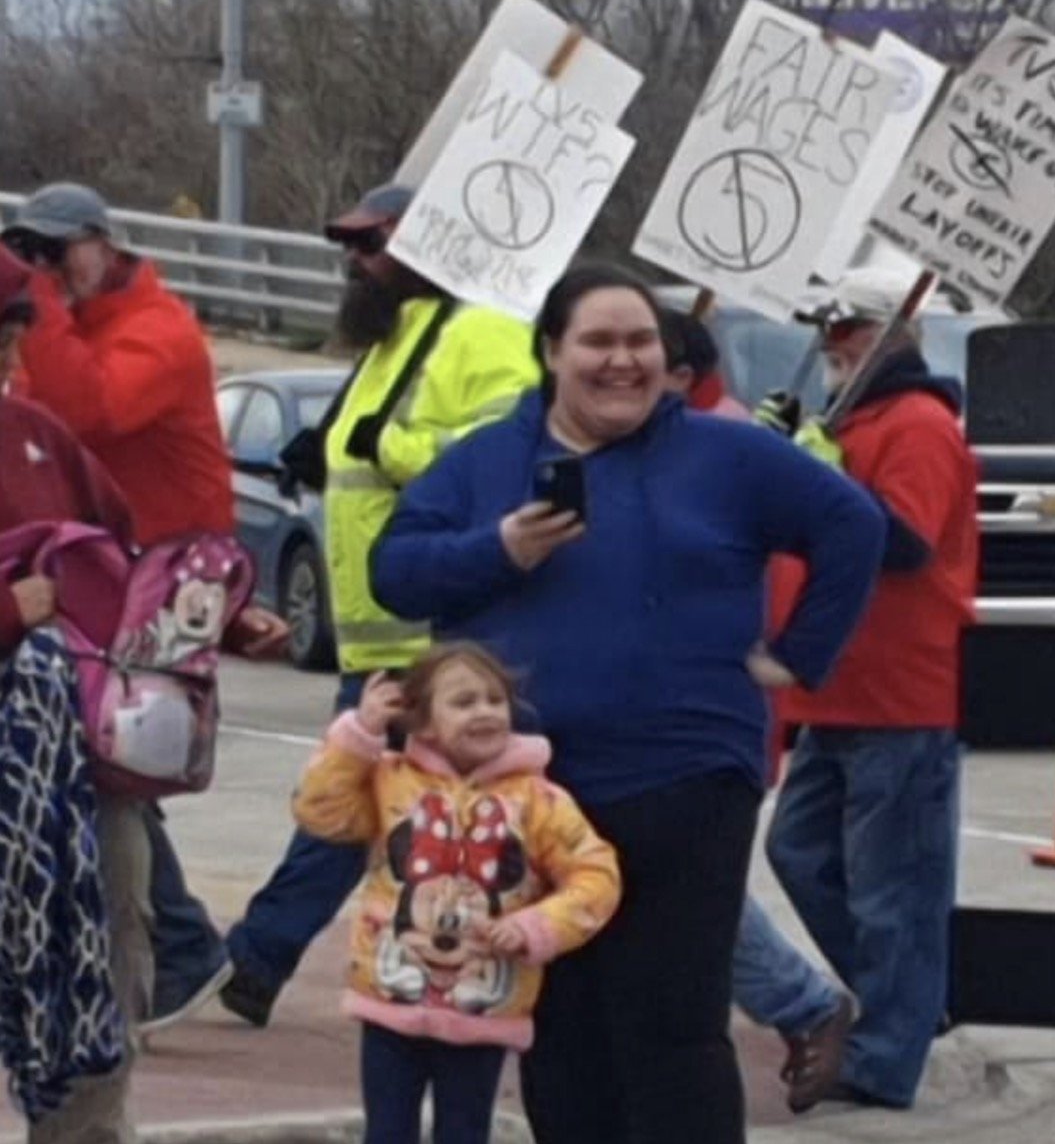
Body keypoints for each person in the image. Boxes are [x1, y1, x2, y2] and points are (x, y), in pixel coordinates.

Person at [368, 263, 886, 1144]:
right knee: (561, 1029)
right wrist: (496, 551)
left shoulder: (725, 453)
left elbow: (854, 526)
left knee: (670, 1024)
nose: (623, 362)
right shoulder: (489, 460)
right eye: (598, 342)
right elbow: (394, 572)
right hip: (536, 794)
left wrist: (800, 654)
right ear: (550, 353)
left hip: (686, 784)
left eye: (641, 341)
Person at [220, 181, 541, 1027]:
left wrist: (385, 445)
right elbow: (363, 456)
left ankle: (253, 959)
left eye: (374, 244)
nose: (355, 263)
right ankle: (255, 959)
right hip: (381, 632)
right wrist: (325, 452)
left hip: (435, 633)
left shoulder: (484, 332)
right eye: (350, 248)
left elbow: (502, 450)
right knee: (349, 804)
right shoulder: (398, 336)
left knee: (356, 806)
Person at [2, 183, 289, 1036]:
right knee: (110, 771)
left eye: (62, 251)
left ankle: (173, 957)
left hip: (152, 581)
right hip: (104, 588)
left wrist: (34, 296)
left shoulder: (158, 330)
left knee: (115, 768)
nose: (51, 270)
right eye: (33, 254)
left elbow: (89, 411)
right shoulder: (55, 356)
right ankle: (178, 953)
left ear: (110, 244)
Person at [760, 265, 979, 1110]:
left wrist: (814, 479)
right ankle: (910, 1003)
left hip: (902, 691)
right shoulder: (852, 419)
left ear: (885, 335)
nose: (829, 342)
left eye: (844, 328)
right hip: (838, 686)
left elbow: (904, 543)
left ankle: (889, 1051)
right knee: (800, 851)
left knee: (894, 888)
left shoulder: (918, 425)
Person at [292, 641, 622, 1144]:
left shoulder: (538, 800)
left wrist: (536, 927)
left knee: (464, 1131)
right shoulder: (389, 783)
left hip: (482, 1005)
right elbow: (320, 810)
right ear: (422, 722)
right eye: (464, 702)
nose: (485, 712)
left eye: (494, 699)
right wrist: (360, 733)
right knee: (386, 1130)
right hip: (389, 996)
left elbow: (597, 876)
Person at [659, 307, 859, 1112]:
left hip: (700, 712)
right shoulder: (691, 441)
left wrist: (783, 661)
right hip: (674, 706)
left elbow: (830, 545)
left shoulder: (723, 449)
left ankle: (802, 1003)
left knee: (678, 884)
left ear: (675, 373)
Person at [0, 238, 143, 1144]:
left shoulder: (40, 436)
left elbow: (123, 554)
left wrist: (213, 616)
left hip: (77, 767)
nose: (14, 363)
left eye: (14, 341)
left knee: (107, 956)